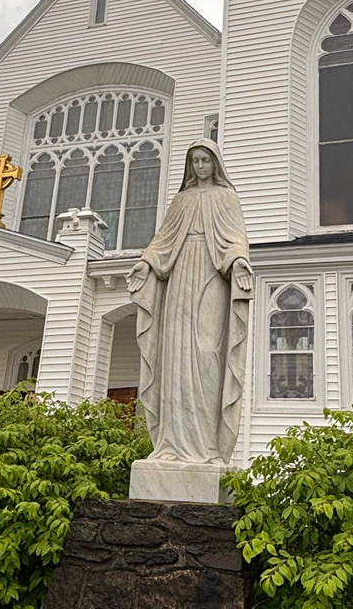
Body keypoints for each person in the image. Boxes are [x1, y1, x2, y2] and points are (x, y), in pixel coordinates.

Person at [127, 139, 253, 464]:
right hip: (180, 275)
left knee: (206, 351)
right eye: (194, 161)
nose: (199, 167)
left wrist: (239, 262)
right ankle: (171, 444)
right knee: (175, 356)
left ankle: (209, 445)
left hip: (212, 274)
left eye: (205, 161)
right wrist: (146, 262)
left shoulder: (227, 197)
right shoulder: (181, 200)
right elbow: (162, 240)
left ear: (215, 164)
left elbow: (236, 239)